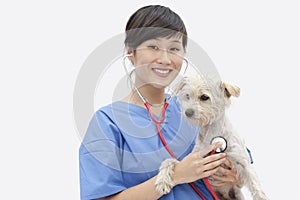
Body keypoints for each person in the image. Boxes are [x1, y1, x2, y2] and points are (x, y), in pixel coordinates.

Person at [79, 5, 242, 200]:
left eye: (174, 48)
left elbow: (237, 160)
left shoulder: (195, 109)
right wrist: (176, 175)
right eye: (153, 46)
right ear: (131, 51)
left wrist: (235, 175)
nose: (165, 59)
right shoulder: (107, 123)